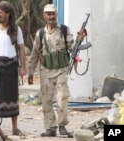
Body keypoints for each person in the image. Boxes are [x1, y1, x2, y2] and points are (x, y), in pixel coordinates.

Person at [28, 4, 86, 137]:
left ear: (56, 14)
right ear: (44, 16)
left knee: (62, 98)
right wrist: (30, 72)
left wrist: (79, 40)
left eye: (53, 14)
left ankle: (62, 126)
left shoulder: (64, 30)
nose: (51, 16)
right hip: (46, 70)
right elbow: (35, 53)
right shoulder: (40, 33)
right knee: (46, 99)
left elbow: (72, 47)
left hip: (61, 70)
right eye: (48, 14)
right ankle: (50, 128)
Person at [0, 1, 27, 135]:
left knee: (12, 96)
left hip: (11, 67)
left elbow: (21, 48)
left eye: (1, 13)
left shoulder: (16, 29)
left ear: (8, 14)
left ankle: (14, 128)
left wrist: (23, 67)